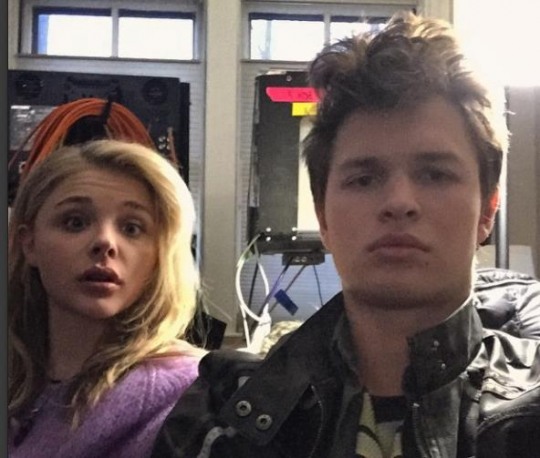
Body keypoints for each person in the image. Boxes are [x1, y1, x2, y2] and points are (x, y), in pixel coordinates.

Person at [151, 11, 540, 458]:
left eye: (435, 174)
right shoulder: (220, 416)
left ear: (487, 209)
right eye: (363, 179)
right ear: (323, 216)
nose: (399, 202)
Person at [8, 139, 206, 458]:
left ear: (160, 255)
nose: (105, 242)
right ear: (28, 243)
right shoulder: (17, 386)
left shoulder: (192, 403)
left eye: (132, 228)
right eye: (75, 222)